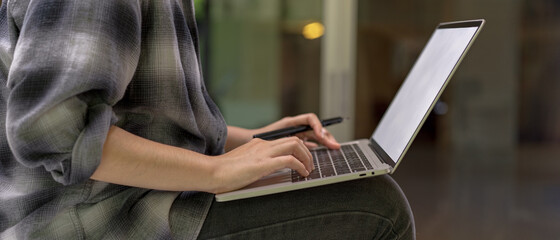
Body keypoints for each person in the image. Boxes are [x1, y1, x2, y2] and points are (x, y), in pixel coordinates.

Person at [0, 0, 415, 239]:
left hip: (128, 200)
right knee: (379, 207)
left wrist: (251, 139)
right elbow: (55, 129)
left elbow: (142, 120)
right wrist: (215, 171)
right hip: (95, 221)